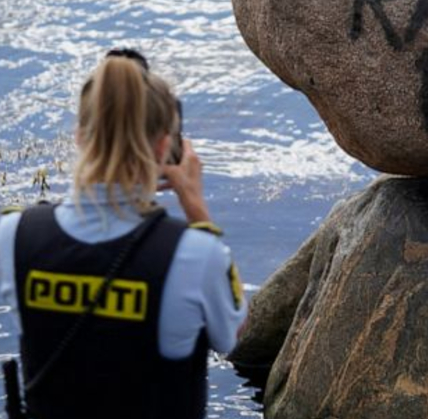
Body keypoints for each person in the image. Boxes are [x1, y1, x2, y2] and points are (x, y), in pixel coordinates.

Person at [0, 50, 247, 419]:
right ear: (165, 147)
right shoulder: (195, 253)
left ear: (80, 137)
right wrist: (196, 206)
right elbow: (235, 335)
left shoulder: (15, 236)